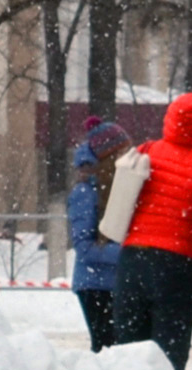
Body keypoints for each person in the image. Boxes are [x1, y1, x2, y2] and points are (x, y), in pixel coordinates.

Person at [111, 93, 192, 370]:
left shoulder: (147, 150)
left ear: (170, 120)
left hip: (132, 260)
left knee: (128, 356)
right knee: (169, 361)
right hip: (176, 267)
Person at [66, 121, 130, 351]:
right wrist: (126, 253)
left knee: (118, 350)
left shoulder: (118, 186)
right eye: (122, 152)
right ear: (108, 158)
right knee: (106, 349)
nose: (128, 157)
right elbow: (83, 246)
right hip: (95, 286)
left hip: (113, 283)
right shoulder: (85, 192)